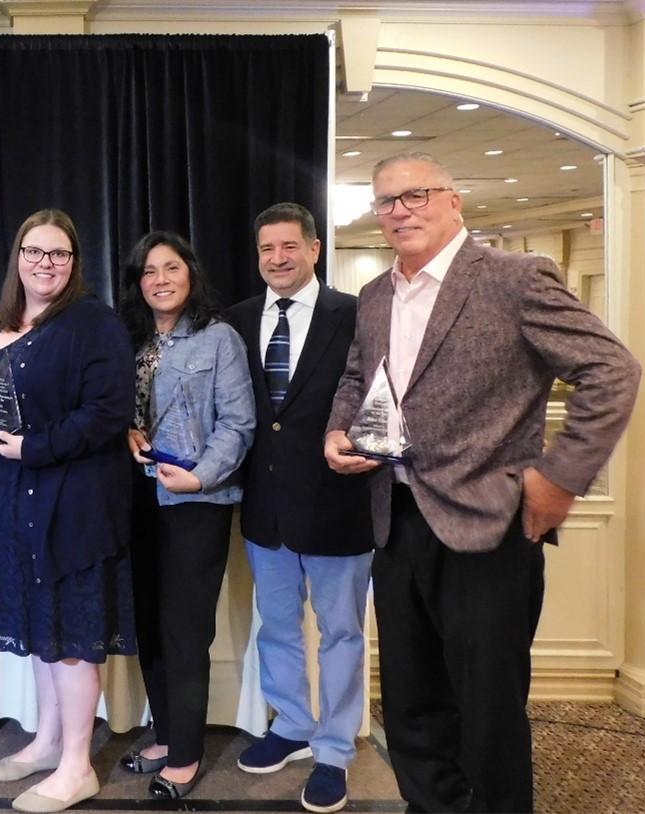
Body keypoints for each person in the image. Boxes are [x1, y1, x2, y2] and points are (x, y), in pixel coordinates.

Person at [324, 151, 641, 813]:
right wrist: (338, 429)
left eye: (415, 194)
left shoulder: (513, 278)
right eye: (385, 201)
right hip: (395, 518)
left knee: (487, 711)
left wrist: (558, 478)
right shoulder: (377, 296)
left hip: (488, 525)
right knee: (410, 703)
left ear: (453, 200)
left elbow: (611, 372)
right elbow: (358, 378)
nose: (399, 210)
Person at [0, 208, 136, 814]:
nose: (45, 263)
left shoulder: (93, 322)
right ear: (18, 256)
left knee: (72, 638)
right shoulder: (2, 319)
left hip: (71, 503)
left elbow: (109, 411)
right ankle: (48, 741)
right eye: (34, 251)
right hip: (7, 502)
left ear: (74, 262)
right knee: (41, 631)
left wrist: (36, 447)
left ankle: (77, 766)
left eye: (58, 254)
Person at [225, 203, 373, 814]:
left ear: (314, 249)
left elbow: (376, 392)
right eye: (266, 249)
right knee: (279, 626)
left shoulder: (356, 314)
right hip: (267, 507)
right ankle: (291, 724)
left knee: (341, 632)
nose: (277, 259)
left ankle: (334, 750)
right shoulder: (235, 320)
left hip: (339, 503)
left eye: (289, 247)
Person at [114, 231, 255, 801]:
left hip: (196, 499)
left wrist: (200, 475)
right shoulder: (131, 339)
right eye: (149, 272)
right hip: (136, 497)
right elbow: (119, 407)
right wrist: (125, 428)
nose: (160, 280)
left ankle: (187, 754)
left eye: (171, 268)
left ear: (190, 275)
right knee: (146, 620)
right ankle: (166, 733)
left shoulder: (219, 339)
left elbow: (238, 423)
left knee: (185, 628)